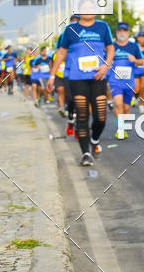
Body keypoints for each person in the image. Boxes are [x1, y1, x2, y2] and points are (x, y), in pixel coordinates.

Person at [48, 13, 114, 165]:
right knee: (82, 115)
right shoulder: (69, 31)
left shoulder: (102, 27)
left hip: (98, 77)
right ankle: (85, 153)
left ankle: (94, 140)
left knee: (100, 117)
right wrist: (52, 76)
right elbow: (61, 53)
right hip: (76, 77)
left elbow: (110, 48)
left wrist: (106, 66)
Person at [111, 22, 144, 142]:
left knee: (125, 108)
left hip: (129, 82)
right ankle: (120, 129)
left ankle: (122, 126)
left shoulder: (134, 47)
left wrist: (135, 60)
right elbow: (105, 60)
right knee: (118, 104)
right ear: (116, 32)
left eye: (124, 30)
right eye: (120, 30)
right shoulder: (112, 46)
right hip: (115, 81)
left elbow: (142, 62)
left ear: (128, 32)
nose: (122, 33)